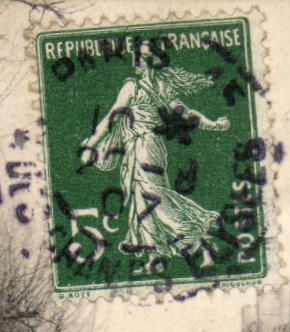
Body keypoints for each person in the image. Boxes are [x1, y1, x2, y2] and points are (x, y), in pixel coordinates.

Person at [79, 40, 232, 259]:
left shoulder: (134, 87)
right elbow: (187, 114)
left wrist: (90, 145)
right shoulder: (161, 87)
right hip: (150, 148)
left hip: (144, 147)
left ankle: (190, 229)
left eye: (140, 55)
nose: (136, 60)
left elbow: (112, 118)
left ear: (151, 60)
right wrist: (214, 125)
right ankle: (156, 252)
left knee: (153, 196)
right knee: (143, 198)